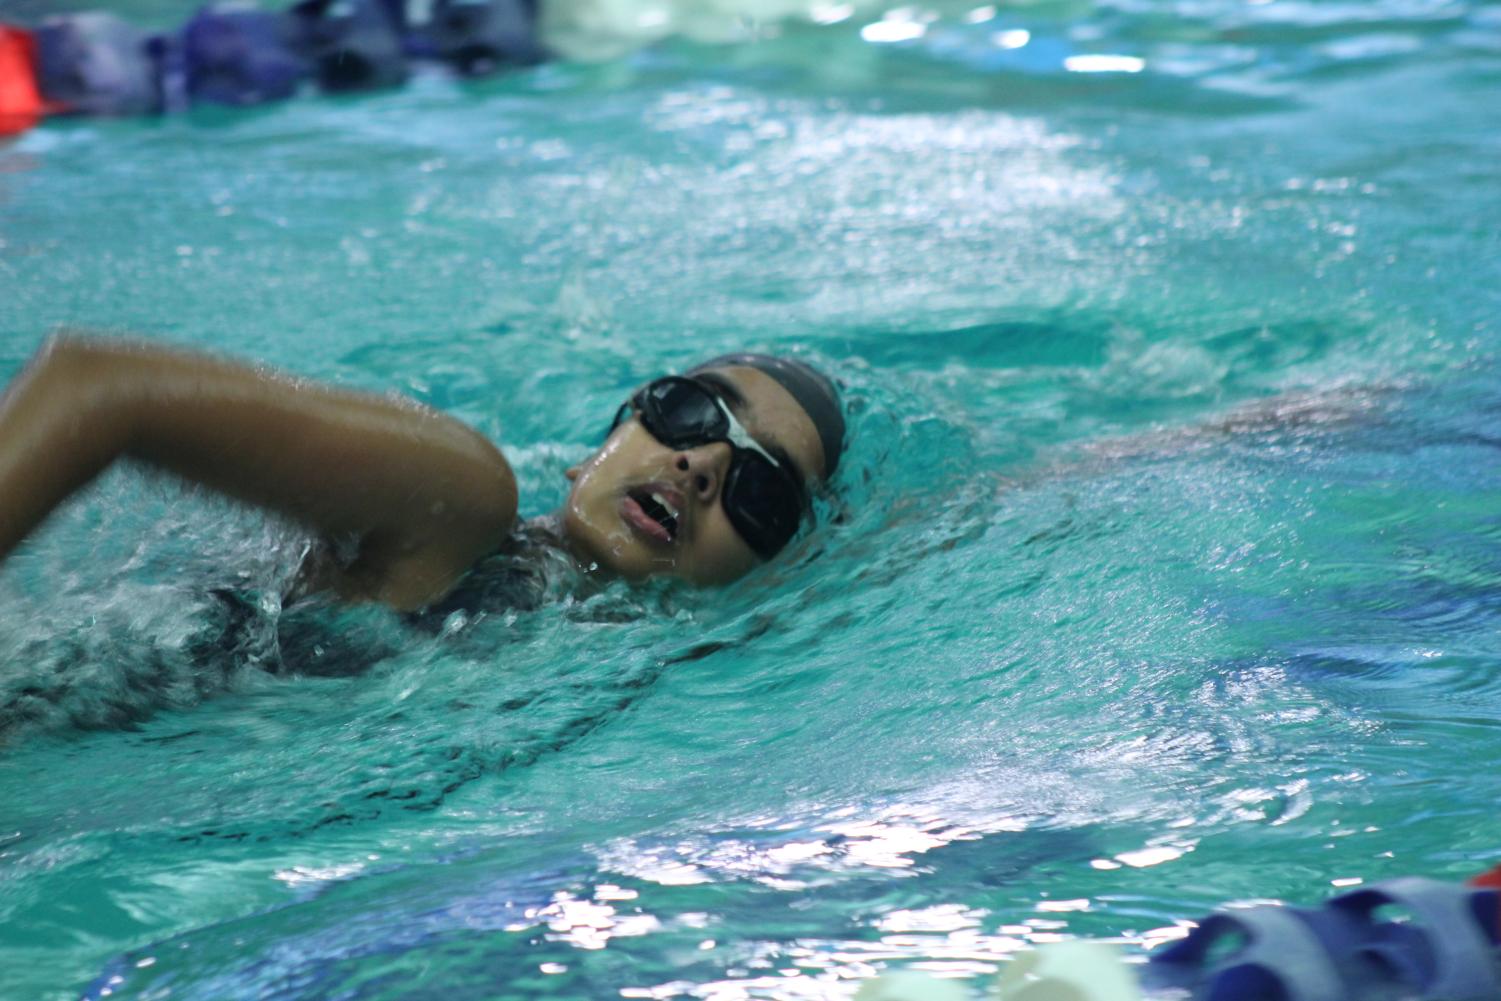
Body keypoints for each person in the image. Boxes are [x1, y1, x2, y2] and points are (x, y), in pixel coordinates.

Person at [0, 334, 845, 617]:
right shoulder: (462, 503)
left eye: (760, 490)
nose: (699, 465)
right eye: (690, 412)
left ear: (763, 575)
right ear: (602, 442)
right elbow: (97, 386)